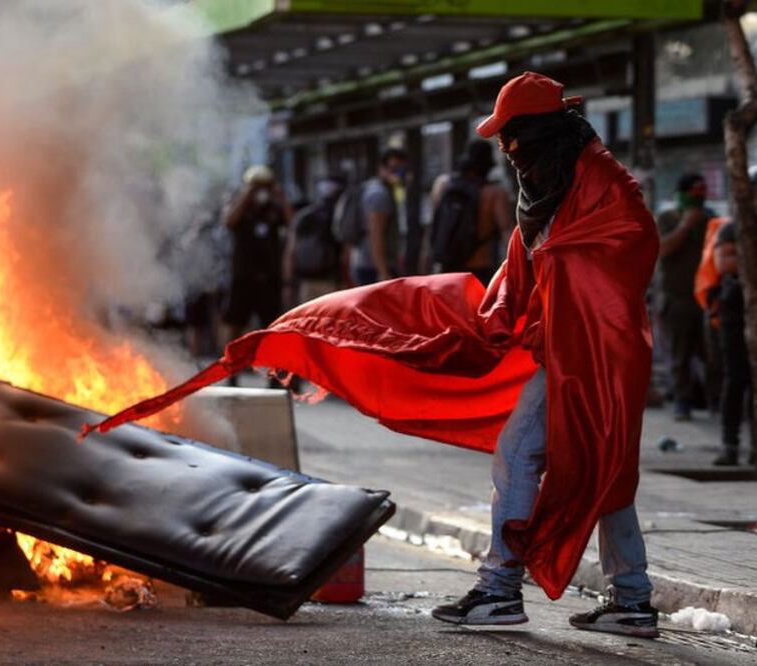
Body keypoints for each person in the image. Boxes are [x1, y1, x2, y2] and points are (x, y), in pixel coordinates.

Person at [87, 72, 661, 638]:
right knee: (600, 463)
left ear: (542, 130)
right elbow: (518, 281)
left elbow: (626, 248)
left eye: (513, 134)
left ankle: (504, 589)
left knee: (593, 463)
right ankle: (626, 597)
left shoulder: (602, 182)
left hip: (602, 351)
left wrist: (566, 286)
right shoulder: (544, 189)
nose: (506, 149)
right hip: (562, 350)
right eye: (501, 138)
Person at [658, 174, 715, 421]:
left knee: (712, 355)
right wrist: (686, 226)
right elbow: (663, 249)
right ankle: (683, 402)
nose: (699, 196)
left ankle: (715, 401)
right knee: (680, 357)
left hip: (707, 298)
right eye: (695, 192)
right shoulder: (668, 218)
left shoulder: (711, 220)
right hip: (676, 298)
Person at [221, 165, 292, 349]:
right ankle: (231, 369)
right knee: (236, 321)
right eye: (257, 186)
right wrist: (246, 196)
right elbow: (229, 221)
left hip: (269, 276)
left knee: (272, 324)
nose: (261, 191)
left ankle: (273, 371)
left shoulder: (274, 208)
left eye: (264, 186)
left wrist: (281, 197)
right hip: (243, 274)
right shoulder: (241, 207)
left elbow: (293, 222)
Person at [429, 140, 514, 284]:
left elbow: (434, 228)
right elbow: (506, 232)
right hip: (479, 269)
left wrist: (427, 264)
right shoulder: (494, 193)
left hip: (446, 269)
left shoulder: (443, 186)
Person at [710, 221, 756, 466]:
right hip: (734, 314)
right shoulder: (733, 229)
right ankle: (730, 445)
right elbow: (724, 264)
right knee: (736, 380)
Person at [284, 175, 345, 306]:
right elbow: (346, 252)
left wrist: (288, 284)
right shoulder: (338, 216)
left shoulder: (303, 216)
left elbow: (291, 252)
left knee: (308, 322)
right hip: (332, 280)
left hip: (306, 280)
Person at [351, 148, 407, 285]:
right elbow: (376, 235)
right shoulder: (379, 194)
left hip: (366, 262)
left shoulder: (371, 188)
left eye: (401, 169)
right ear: (381, 167)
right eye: (393, 168)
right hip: (374, 267)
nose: (397, 174)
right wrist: (383, 272)